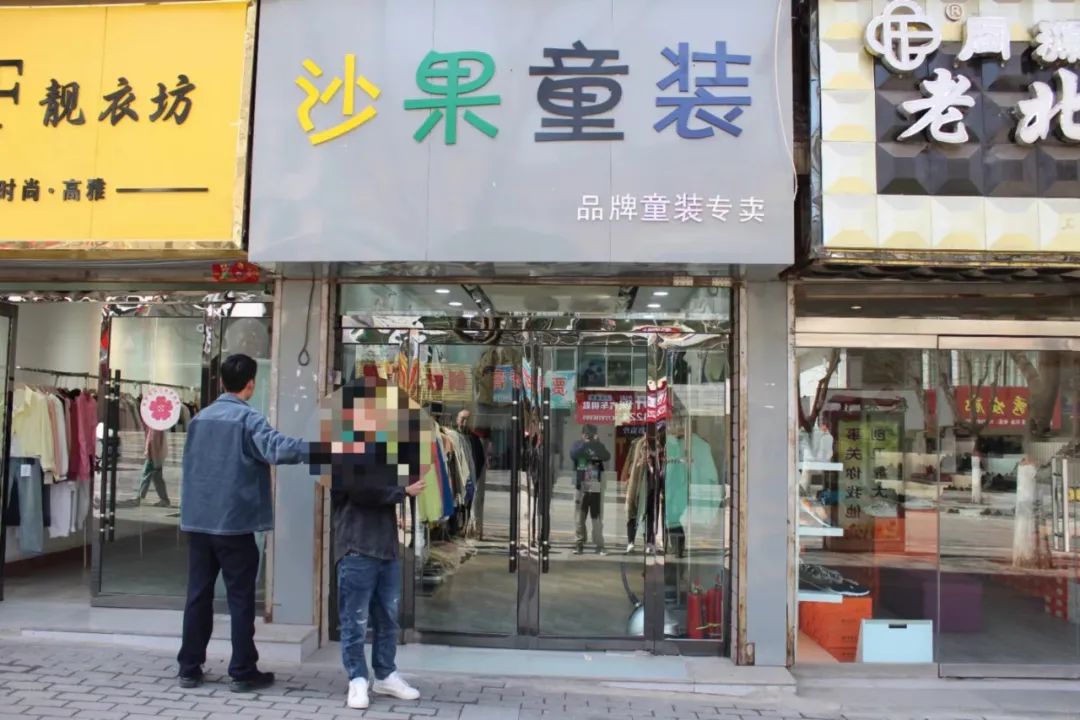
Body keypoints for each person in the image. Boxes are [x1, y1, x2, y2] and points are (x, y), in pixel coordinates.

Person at [177, 354, 307, 693]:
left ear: (222, 382)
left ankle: (189, 668)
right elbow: (277, 449)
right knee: (240, 600)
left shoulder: (199, 419)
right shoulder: (248, 419)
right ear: (251, 384)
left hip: (198, 523)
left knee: (197, 595)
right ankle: (242, 671)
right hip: (234, 524)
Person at [329, 374, 427, 711]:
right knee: (354, 619)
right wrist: (402, 491)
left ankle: (385, 674)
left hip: (385, 545)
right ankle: (357, 678)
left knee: (388, 617)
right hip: (356, 545)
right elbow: (360, 491)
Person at [570, 424, 610, 555]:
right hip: (581, 485)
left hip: (595, 485)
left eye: (591, 435)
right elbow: (573, 454)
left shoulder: (598, 446)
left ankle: (599, 544)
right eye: (586, 434)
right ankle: (579, 543)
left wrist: (596, 444)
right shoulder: (578, 445)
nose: (588, 437)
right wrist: (585, 444)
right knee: (579, 517)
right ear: (582, 435)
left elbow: (607, 456)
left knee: (596, 517)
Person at [139, 428, 170, 507]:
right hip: (155, 457)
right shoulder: (157, 428)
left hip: (153, 457)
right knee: (156, 478)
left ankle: (140, 497)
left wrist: (154, 459)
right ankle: (164, 499)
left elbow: (153, 443)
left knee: (147, 476)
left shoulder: (155, 428)